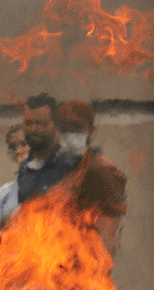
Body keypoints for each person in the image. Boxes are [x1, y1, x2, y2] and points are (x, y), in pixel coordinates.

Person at [54, 99, 127, 257]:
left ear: (91, 131)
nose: (69, 136)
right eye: (63, 129)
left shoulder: (102, 172)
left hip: (85, 271)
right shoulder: (53, 171)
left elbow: (107, 239)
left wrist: (97, 275)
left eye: (77, 128)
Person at [14, 92, 81, 211]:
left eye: (41, 123)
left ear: (57, 126)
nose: (34, 129)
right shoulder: (25, 168)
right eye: (28, 123)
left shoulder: (71, 165)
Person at [0, 124, 32, 248]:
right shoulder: (5, 191)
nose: (18, 151)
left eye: (24, 144)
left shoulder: (56, 187)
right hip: (14, 262)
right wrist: (10, 234)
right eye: (13, 147)